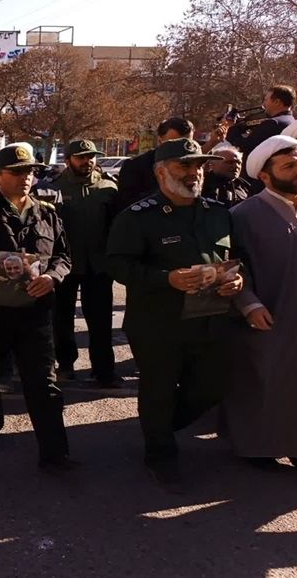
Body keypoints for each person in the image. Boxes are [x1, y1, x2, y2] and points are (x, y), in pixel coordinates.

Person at [106, 137, 244, 492]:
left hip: (209, 319)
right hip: (158, 322)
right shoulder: (137, 217)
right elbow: (117, 265)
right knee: (159, 389)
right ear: (160, 171)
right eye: (184, 165)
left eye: (199, 166)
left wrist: (237, 280)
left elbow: (236, 258)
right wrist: (165, 278)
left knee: (213, 384)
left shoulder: (218, 213)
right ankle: (160, 455)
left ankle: (162, 425)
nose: (194, 172)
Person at [0, 131, 74, 471]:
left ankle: (54, 451)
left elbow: (64, 256)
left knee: (43, 381)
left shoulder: (47, 213)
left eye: (30, 172)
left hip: (34, 311)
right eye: (18, 172)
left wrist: (52, 278)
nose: (26, 177)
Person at [222, 135, 297, 468]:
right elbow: (231, 266)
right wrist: (249, 304)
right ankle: (257, 448)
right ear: (265, 176)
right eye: (289, 166)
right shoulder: (243, 215)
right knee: (265, 383)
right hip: (270, 313)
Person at [49, 139, 119, 386]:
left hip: (98, 265)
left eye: (91, 157)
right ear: (68, 160)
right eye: (81, 157)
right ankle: (66, 365)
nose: (87, 161)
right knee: (62, 319)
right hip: (66, 264)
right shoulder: (54, 188)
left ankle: (103, 370)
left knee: (101, 321)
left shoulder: (109, 188)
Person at [116, 117, 194, 211]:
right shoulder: (135, 166)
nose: (180, 149)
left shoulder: (196, 167)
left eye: (186, 144)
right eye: (174, 143)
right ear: (160, 141)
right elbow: (127, 204)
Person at [228, 85, 296, 192]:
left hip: (259, 184)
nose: (264, 104)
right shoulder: (290, 121)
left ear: (277, 102)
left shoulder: (273, 123)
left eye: (266, 100)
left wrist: (231, 128)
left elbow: (244, 145)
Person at [202, 143, 250, 207]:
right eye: (230, 162)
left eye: (239, 163)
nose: (236, 166)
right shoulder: (203, 183)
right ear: (212, 164)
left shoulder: (243, 185)